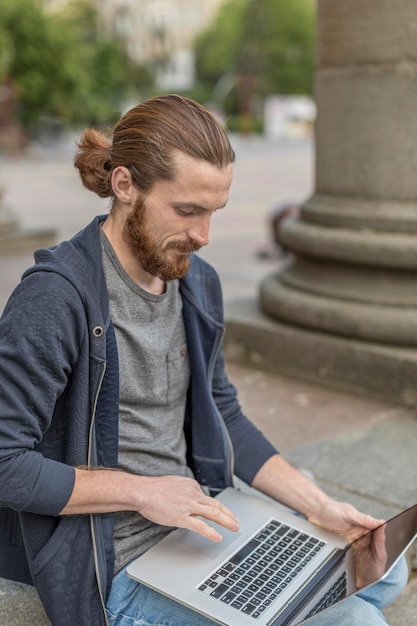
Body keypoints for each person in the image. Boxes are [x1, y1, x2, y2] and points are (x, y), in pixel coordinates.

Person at [0, 94, 408, 626]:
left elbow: (223, 411)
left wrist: (318, 505)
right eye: (187, 210)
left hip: (201, 527)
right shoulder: (55, 299)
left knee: (382, 567)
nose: (203, 236)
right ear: (124, 185)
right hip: (118, 564)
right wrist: (143, 493)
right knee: (357, 619)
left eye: (213, 212)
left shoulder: (195, 281)